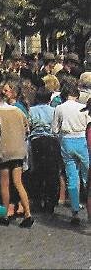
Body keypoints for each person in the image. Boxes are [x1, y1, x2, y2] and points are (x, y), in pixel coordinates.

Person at [0, 82, 33, 226]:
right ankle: (28, 213)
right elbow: (27, 129)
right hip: (19, 150)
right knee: (18, 183)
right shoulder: (18, 111)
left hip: (4, 150)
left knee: (5, 184)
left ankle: (5, 213)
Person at [52, 80, 91, 225]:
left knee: (72, 177)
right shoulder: (83, 108)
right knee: (88, 176)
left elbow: (55, 130)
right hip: (82, 140)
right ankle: (89, 207)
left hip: (66, 142)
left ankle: (75, 212)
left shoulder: (60, 108)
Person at [26, 85, 61, 213]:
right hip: (51, 140)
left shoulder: (31, 110)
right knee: (52, 172)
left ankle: (37, 199)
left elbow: (28, 126)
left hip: (36, 141)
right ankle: (50, 201)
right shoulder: (54, 110)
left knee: (37, 171)